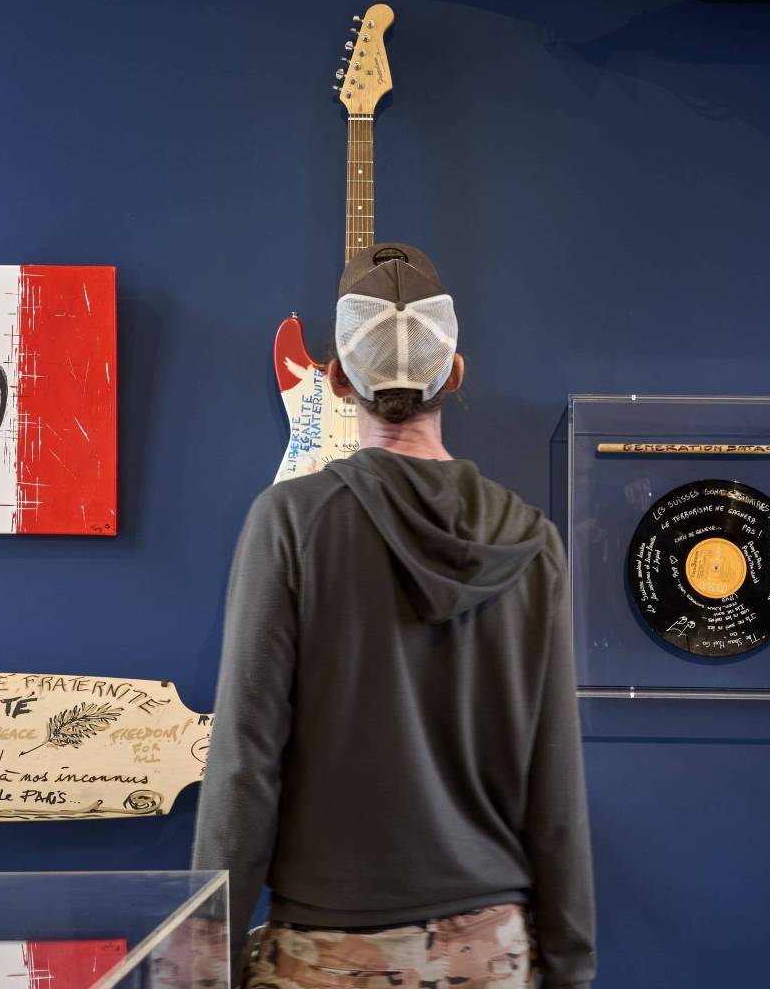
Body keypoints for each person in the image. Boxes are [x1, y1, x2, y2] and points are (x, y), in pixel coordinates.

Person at [193, 243, 596, 989]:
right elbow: (556, 780)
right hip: (491, 952)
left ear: (338, 378)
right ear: (456, 374)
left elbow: (245, 766)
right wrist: (571, 968)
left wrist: (198, 964)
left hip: (328, 951)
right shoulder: (533, 541)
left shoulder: (289, 522)